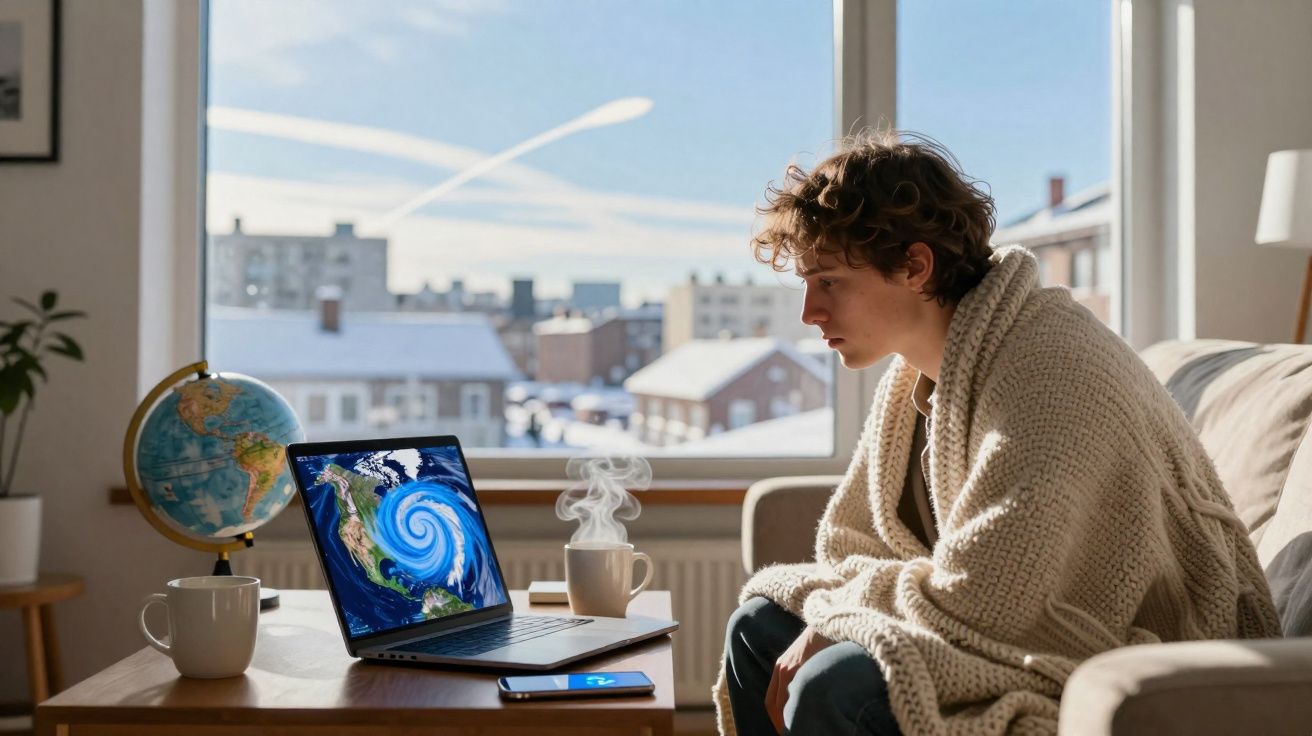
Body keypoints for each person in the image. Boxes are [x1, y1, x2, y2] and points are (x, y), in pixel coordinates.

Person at [714, 130, 1281, 736]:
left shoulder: (1051, 364)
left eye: (828, 281)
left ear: (915, 266)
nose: (809, 312)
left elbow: (992, 594)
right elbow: (858, 546)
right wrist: (838, 610)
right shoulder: (920, 374)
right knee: (757, 628)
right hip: (982, 618)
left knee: (834, 684)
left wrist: (840, 615)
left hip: (1112, 645)